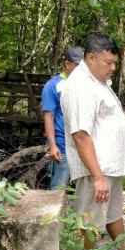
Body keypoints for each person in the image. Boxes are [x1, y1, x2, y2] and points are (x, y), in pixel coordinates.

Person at [61, 34, 125, 250]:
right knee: (90, 219)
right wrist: (98, 177)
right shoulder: (80, 86)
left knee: (111, 212)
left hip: (107, 165)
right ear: (90, 58)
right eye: (108, 63)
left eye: (115, 63)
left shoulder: (96, 82)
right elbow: (80, 135)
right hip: (95, 168)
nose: (112, 68)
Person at [41, 46, 83, 190]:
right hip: (62, 145)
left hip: (83, 145)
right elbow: (48, 116)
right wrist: (52, 145)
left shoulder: (85, 86)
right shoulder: (53, 85)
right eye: (77, 65)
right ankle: (55, 213)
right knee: (58, 190)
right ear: (67, 63)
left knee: (84, 190)